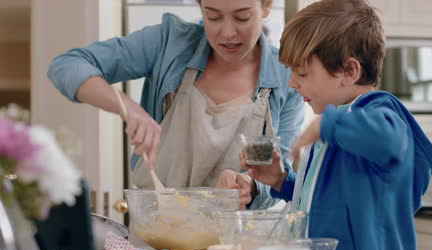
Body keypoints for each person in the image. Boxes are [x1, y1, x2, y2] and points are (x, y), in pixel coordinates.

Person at [47, 0, 304, 209]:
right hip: (159, 238)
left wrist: (249, 185)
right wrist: (128, 108)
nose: (227, 32)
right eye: (213, 17)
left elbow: (275, 178)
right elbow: (67, 65)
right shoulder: (169, 43)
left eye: (242, 17)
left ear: (266, 7)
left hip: (235, 246)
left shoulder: (286, 77)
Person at [240, 0, 432, 250]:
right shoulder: (341, 124)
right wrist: (280, 180)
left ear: (349, 71)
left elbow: (389, 142)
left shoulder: (378, 113)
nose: (291, 82)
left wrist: (327, 125)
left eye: (302, 72)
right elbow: (320, 203)